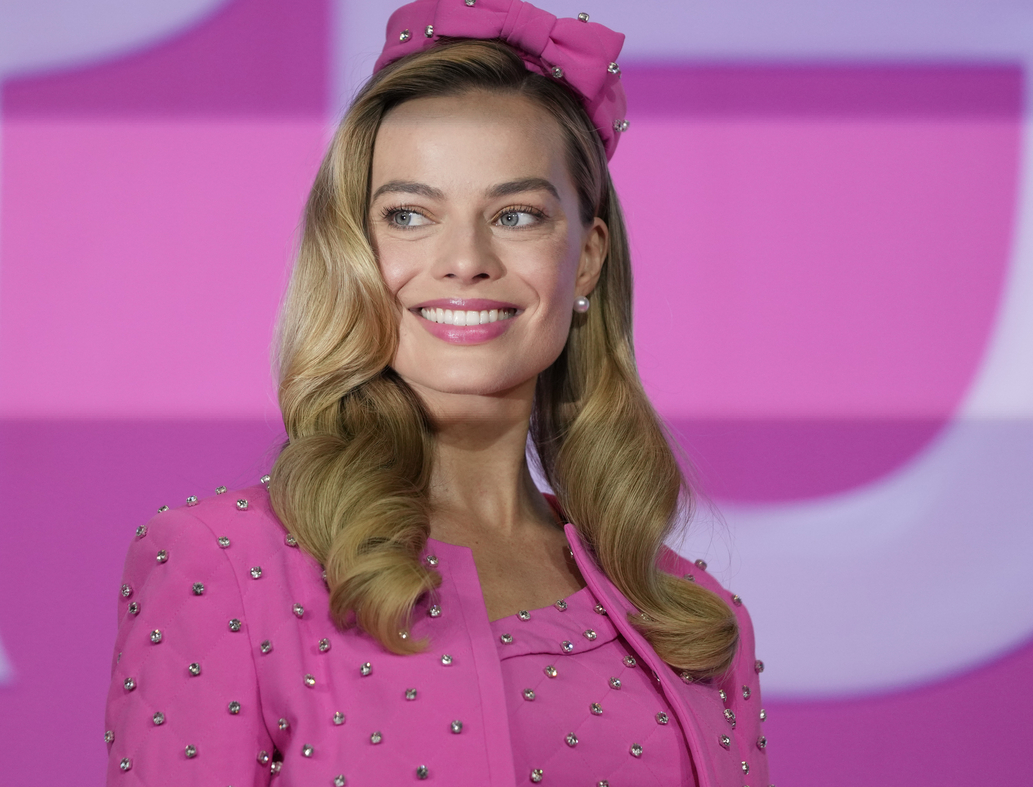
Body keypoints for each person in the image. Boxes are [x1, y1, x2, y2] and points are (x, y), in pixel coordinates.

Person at [104, 1, 769, 784]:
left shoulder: (689, 611)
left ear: (587, 257)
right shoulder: (221, 560)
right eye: (410, 215)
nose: (465, 259)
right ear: (355, 251)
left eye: (516, 214)